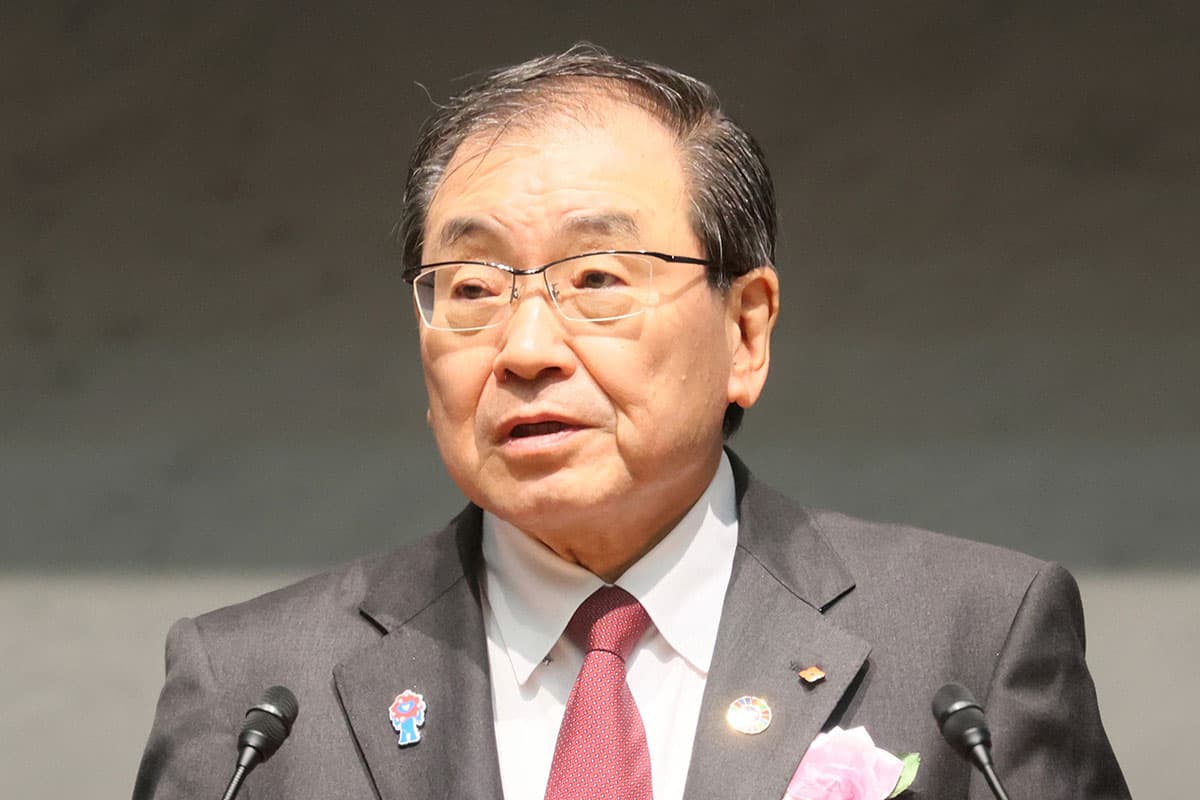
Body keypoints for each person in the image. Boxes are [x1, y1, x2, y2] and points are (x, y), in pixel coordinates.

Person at [133, 45, 1129, 800]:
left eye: (597, 278)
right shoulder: (258, 695)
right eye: (470, 286)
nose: (525, 348)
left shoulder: (968, 644)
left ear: (746, 330)